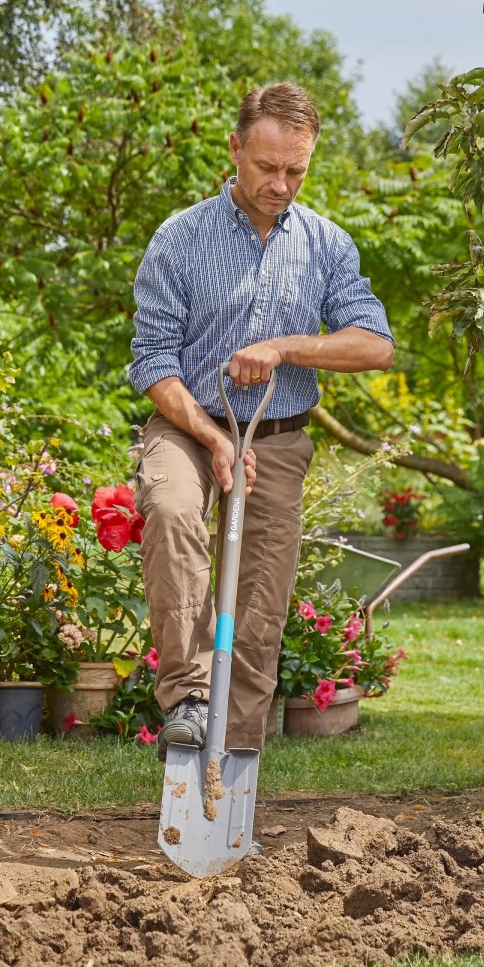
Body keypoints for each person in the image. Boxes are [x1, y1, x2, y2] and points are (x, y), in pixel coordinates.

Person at [126, 81, 395, 754]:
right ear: (235, 149)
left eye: (295, 171)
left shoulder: (327, 245)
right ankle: (188, 701)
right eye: (266, 167)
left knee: (261, 601)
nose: (281, 184)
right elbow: (153, 360)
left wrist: (284, 346)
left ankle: (233, 752)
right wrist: (212, 436)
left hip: (277, 437)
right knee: (171, 507)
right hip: (188, 425)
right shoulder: (180, 239)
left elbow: (375, 344)